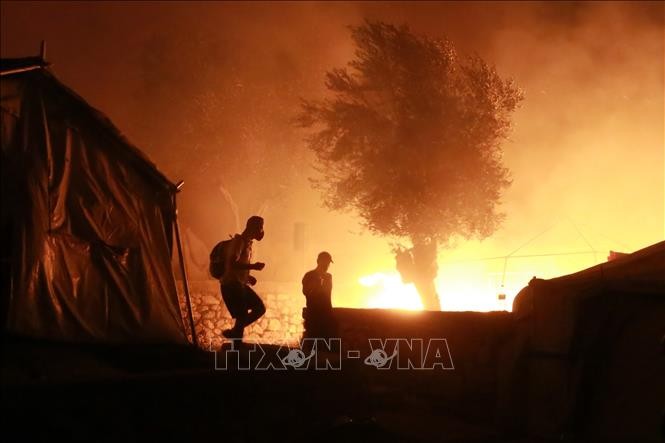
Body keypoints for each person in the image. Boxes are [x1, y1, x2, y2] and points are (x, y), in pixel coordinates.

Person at [220, 216, 266, 341]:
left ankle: (236, 331)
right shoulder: (239, 242)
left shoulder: (247, 243)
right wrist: (253, 266)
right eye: (260, 227)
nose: (262, 231)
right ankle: (235, 346)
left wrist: (248, 276)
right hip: (231, 285)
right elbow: (231, 263)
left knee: (259, 308)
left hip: (239, 284)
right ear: (252, 227)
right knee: (244, 314)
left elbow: (237, 267)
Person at [301, 251, 337, 341]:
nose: (327, 265)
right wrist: (316, 284)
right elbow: (306, 292)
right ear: (318, 261)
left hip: (326, 315)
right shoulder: (309, 275)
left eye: (328, 263)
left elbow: (328, 294)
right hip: (314, 314)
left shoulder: (328, 277)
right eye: (325, 262)